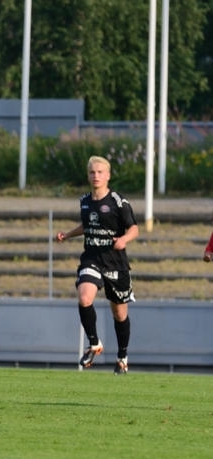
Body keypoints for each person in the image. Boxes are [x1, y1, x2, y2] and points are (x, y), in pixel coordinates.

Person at [56, 156, 138, 375]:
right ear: (88, 175)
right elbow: (88, 224)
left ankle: (122, 357)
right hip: (92, 258)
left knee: (119, 314)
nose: (96, 176)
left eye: (100, 172)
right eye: (92, 172)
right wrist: (69, 234)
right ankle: (94, 343)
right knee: (84, 297)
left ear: (108, 175)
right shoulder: (84, 201)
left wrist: (124, 240)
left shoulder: (118, 201)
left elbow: (134, 228)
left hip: (116, 263)